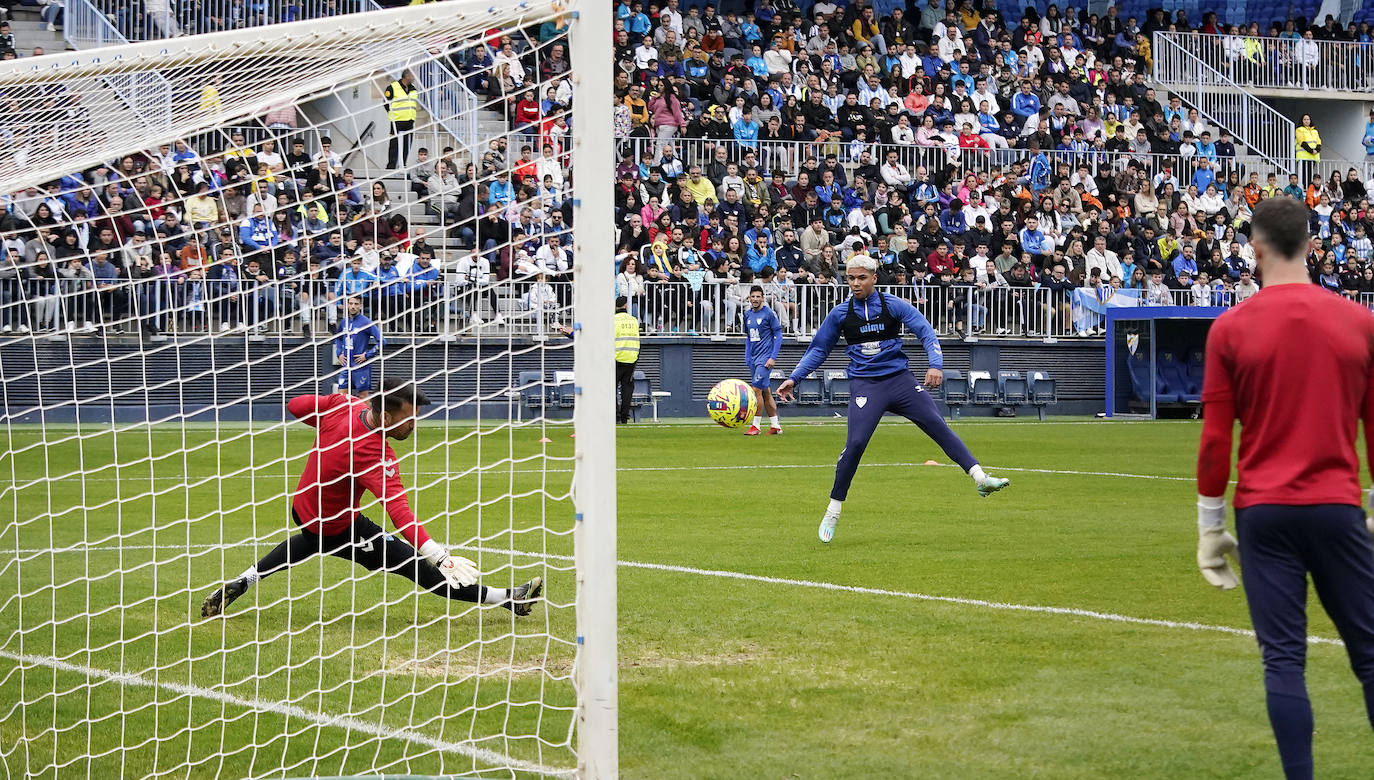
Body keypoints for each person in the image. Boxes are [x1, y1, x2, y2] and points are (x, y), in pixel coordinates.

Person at [1194, 197, 1374, 780]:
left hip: (1264, 511)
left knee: (1284, 659)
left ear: (1255, 246)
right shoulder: (1360, 323)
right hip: (1336, 505)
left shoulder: (1231, 327)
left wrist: (1209, 529)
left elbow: (1216, 441)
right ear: (1312, 243)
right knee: (1370, 656)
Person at [200, 378, 542, 617]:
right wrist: (438, 555)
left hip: (304, 509)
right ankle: (508, 599)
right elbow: (400, 512)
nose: (414, 426)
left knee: (309, 540)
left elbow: (295, 404)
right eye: (409, 420)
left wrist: (327, 415)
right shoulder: (376, 453)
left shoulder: (343, 405)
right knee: (415, 566)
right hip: (338, 526)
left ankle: (243, 581)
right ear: (387, 417)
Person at [775, 256, 1009, 544]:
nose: (856, 283)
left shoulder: (892, 305)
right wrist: (795, 377)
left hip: (900, 381)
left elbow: (925, 330)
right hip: (866, 386)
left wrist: (935, 364)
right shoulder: (840, 314)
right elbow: (818, 350)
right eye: (851, 278)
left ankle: (980, 478)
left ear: (874, 278)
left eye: (861, 277)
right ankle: (833, 511)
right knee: (856, 444)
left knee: (938, 425)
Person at [742, 285, 782, 436]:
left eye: (758, 296)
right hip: (753, 357)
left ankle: (756, 426)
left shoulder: (769, 314)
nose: (755, 299)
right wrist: (747, 356)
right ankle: (775, 425)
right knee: (766, 392)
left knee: (756, 390)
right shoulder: (747, 315)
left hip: (765, 358)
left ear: (763, 298)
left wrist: (773, 357)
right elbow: (749, 337)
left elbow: (778, 335)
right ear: (749, 298)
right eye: (753, 296)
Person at [334, 295, 382, 399]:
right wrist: (339, 353)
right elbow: (338, 338)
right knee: (341, 396)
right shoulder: (344, 322)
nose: (353, 307)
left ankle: (365, 415)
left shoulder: (366, 322)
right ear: (347, 305)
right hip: (346, 365)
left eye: (356, 304)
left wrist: (367, 355)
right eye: (350, 304)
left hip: (360, 366)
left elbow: (382, 341)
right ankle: (345, 416)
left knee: (363, 396)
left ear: (360, 306)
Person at [384, 69, 420, 169]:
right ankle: (391, 166)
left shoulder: (413, 88)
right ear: (406, 76)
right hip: (397, 121)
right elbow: (386, 102)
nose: (414, 78)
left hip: (409, 120)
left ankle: (402, 164)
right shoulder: (393, 87)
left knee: (407, 145)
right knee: (394, 145)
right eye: (412, 75)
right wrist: (391, 114)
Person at [613, 295, 640, 424]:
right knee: (627, 389)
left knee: (611, 388)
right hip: (631, 357)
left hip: (616, 358)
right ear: (626, 306)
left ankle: (616, 416)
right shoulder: (634, 320)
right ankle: (625, 416)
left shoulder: (612, 320)